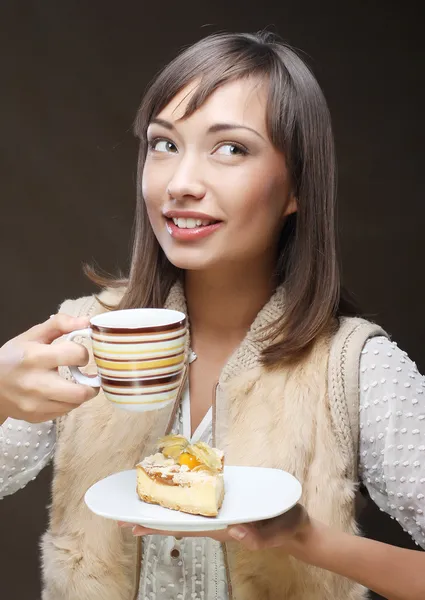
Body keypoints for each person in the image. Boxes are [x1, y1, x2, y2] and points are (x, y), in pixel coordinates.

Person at [0, 31, 424, 600]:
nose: (180, 184)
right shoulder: (83, 339)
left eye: (230, 149)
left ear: (297, 185)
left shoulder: (357, 369)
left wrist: (307, 539)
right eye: (164, 144)